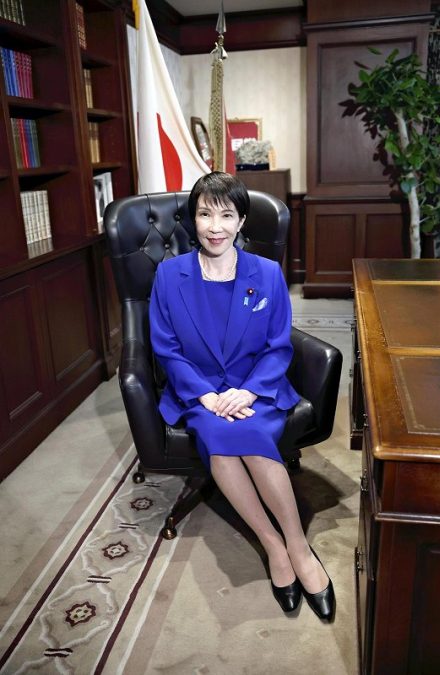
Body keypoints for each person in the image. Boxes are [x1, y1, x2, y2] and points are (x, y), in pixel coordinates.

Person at [149, 171, 335, 621]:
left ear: (242, 221)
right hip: (202, 395)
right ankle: (275, 546)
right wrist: (204, 396)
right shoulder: (169, 275)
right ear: (193, 220)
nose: (215, 226)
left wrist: (249, 390)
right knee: (221, 436)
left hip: (258, 389)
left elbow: (279, 347)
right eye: (205, 214)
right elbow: (166, 348)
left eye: (226, 215)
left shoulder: (266, 274)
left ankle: (298, 546)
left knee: (245, 437)